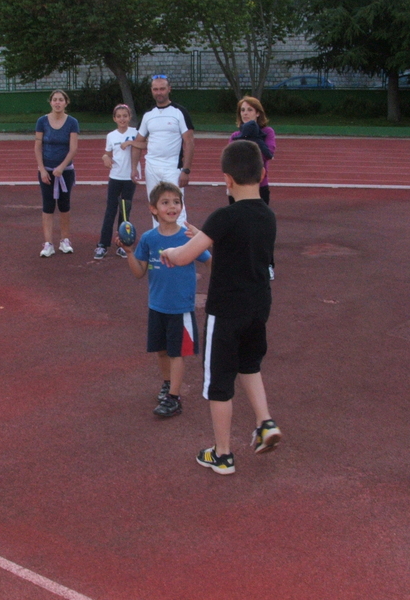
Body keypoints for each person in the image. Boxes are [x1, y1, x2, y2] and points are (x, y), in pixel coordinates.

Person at [160, 140, 281, 475]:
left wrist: (169, 254)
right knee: (250, 365)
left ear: (227, 180)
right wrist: (204, 235)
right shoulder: (268, 216)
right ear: (263, 173)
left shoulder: (224, 216)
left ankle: (223, 453)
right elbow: (236, 245)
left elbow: (184, 256)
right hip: (258, 307)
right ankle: (265, 421)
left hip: (227, 310)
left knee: (219, 383)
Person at [118, 181, 211, 418]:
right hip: (156, 305)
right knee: (161, 350)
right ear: (153, 209)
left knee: (176, 352)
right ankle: (168, 383)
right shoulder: (149, 239)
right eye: (165, 202)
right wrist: (129, 252)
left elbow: (211, 263)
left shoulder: (189, 237)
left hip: (180, 306)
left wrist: (203, 238)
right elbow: (139, 272)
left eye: (176, 202)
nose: (172, 207)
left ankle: (174, 398)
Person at [130, 75, 195, 228]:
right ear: (152, 91)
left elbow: (189, 142)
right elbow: (137, 142)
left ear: (169, 89)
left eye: (162, 89)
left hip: (173, 167)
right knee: (155, 206)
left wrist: (186, 170)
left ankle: (182, 246)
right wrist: (134, 168)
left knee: (176, 206)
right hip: (152, 167)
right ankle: (159, 245)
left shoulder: (179, 112)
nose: (159, 92)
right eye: (155, 89)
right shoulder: (148, 115)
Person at [229, 96, 276, 279]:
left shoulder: (267, 132)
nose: (245, 113)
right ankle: (240, 264)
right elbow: (231, 161)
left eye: (249, 109)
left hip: (259, 188)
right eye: (242, 110)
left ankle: (267, 264)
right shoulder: (235, 136)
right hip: (237, 188)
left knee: (261, 227)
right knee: (238, 228)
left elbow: (267, 156)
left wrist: (254, 136)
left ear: (258, 113)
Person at [35, 89, 79, 257]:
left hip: (65, 171)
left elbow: (73, 148)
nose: (58, 102)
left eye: (61, 100)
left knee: (64, 205)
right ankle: (48, 243)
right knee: (47, 206)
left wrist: (61, 167)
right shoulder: (42, 121)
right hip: (46, 170)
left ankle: (65, 240)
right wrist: (42, 168)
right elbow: (38, 146)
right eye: (55, 100)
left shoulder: (72, 122)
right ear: (51, 102)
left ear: (66, 103)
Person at [95, 104, 139, 260]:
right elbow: (106, 153)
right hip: (115, 177)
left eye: (125, 116)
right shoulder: (111, 136)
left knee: (125, 212)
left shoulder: (135, 133)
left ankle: (122, 244)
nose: (122, 119)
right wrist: (106, 158)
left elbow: (144, 145)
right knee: (110, 210)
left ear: (129, 117)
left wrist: (131, 143)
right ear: (114, 118)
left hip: (129, 178)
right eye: (119, 116)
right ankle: (102, 244)